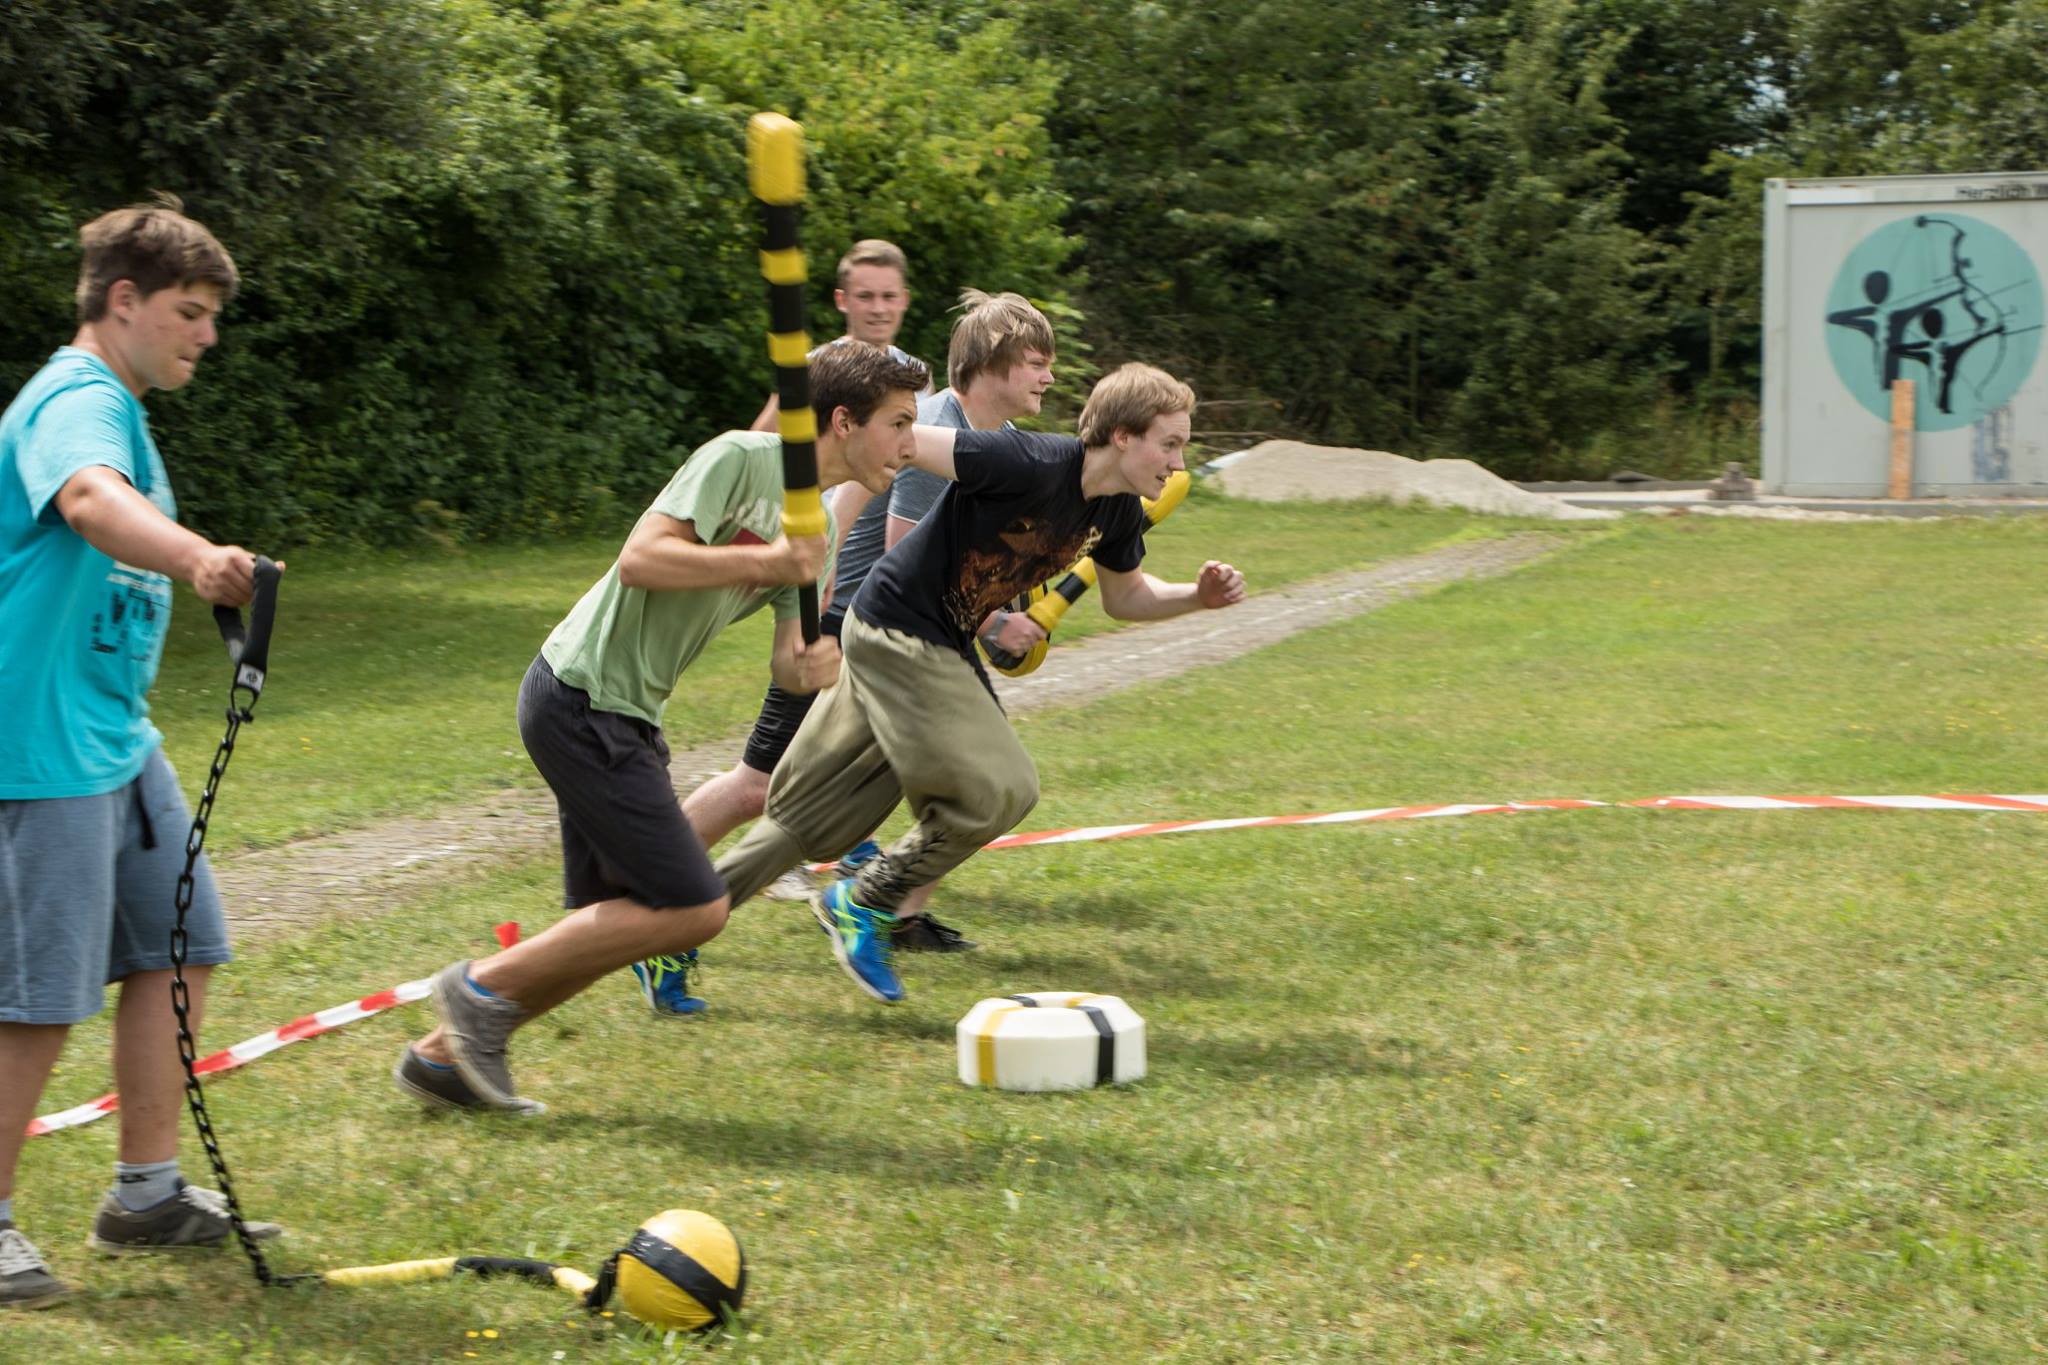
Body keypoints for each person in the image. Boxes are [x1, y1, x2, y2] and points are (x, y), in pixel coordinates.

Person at [395, 342, 929, 1113]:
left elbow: (789, 661)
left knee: (623, 920)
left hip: (628, 712)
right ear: (843, 422)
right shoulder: (739, 459)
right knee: (692, 907)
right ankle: (475, 989)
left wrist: (815, 665)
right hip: (579, 694)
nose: (910, 443)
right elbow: (641, 559)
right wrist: (772, 561)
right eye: (899, 422)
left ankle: (444, 1057)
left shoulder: (819, 529)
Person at [710, 362, 1248, 1005]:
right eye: (1170, 444)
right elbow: (906, 442)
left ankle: (675, 929)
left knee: (808, 821)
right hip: (896, 630)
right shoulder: (1025, 460)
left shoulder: (1119, 512)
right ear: (1123, 436)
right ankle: (865, 900)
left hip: (927, 638)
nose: (1178, 463)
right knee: (1005, 789)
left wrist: (1197, 597)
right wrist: (814, 481)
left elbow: (1126, 596)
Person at [0, 196, 284, 1310]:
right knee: (35, 997)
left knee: (182, 945)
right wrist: (196, 557)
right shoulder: (76, 398)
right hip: (37, 749)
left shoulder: (121, 406)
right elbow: (86, 499)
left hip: (113, 741)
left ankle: (146, 1195)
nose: (207, 334)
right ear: (124, 300)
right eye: (189, 311)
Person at [630, 243, 938, 1016]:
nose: (878, 308)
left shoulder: (909, 383)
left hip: (859, 603)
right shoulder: (822, 377)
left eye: (890, 296)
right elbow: (760, 460)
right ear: (842, 300)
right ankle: (653, 901)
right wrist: (778, 561)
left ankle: (857, 878)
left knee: (840, 768)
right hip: (821, 596)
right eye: (865, 295)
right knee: (761, 782)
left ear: (905, 301)